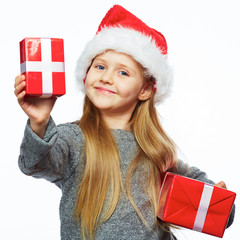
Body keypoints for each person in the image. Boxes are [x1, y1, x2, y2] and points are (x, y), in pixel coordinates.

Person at [14, 5, 235, 240]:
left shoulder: (156, 150)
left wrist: (219, 203)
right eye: (100, 66)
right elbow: (34, 163)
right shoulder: (72, 139)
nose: (107, 77)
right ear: (86, 74)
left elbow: (219, 212)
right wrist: (39, 122)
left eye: (123, 73)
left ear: (145, 90)